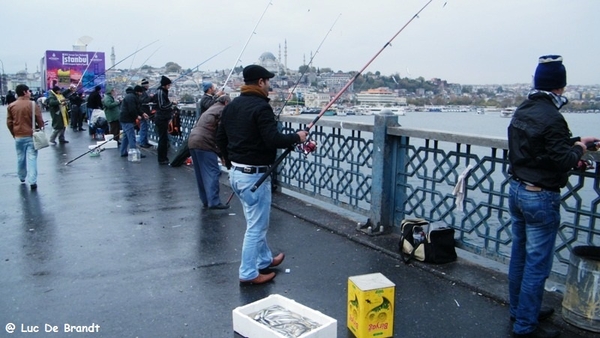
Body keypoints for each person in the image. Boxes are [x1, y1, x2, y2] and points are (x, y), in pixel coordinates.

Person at [507, 55, 600, 338]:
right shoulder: (553, 117)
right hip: (540, 197)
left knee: (519, 257)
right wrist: (580, 149)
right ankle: (525, 325)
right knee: (537, 264)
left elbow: (538, 149)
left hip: (517, 190)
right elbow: (562, 160)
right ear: (560, 86)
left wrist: (570, 145)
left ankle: (520, 310)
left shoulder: (523, 109)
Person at [216, 65, 308, 285]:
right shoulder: (261, 107)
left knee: (254, 220)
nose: (269, 85)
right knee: (256, 227)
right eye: (268, 81)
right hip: (254, 177)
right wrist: (297, 137)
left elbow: (220, 137)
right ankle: (249, 273)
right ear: (260, 82)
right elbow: (273, 139)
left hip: (237, 174)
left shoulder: (232, 105)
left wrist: (229, 161)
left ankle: (264, 259)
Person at [188, 94, 231, 210]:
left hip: (193, 140)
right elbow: (220, 134)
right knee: (213, 171)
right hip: (205, 143)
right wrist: (222, 154)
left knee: (200, 174)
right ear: (226, 103)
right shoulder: (222, 110)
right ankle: (214, 201)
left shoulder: (210, 109)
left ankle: (205, 200)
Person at [6, 84, 45, 190]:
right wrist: (41, 128)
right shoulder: (33, 104)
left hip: (18, 135)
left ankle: (22, 177)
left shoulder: (11, 106)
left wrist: (14, 133)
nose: (30, 93)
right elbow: (40, 120)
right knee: (32, 158)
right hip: (31, 135)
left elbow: (9, 123)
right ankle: (32, 181)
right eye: (29, 91)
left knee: (20, 157)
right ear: (24, 92)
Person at [119, 85, 147, 158]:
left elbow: (136, 108)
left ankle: (123, 151)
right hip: (127, 119)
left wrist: (142, 113)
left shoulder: (131, 96)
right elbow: (132, 109)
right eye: (141, 92)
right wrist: (137, 116)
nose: (141, 94)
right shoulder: (131, 97)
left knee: (126, 136)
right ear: (138, 92)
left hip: (124, 119)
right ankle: (134, 153)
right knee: (131, 136)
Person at [155, 75, 177, 165]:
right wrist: (172, 104)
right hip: (161, 118)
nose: (169, 86)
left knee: (164, 139)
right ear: (165, 85)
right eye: (168, 85)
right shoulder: (160, 92)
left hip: (164, 118)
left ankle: (164, 157)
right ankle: (162, 158)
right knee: (163, 139)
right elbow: (162, 106)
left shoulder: (162, 92)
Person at [138, 78, 153, 148]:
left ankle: (145, 141)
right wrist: (150, 97)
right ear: (145, 86)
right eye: (147, 85)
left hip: (143, 112)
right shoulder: (143, 92)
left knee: (144, 127)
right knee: (143, 127)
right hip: (144, 112)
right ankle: (143, 142)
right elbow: (144, 101)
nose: (148, 87)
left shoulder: (142, 92)